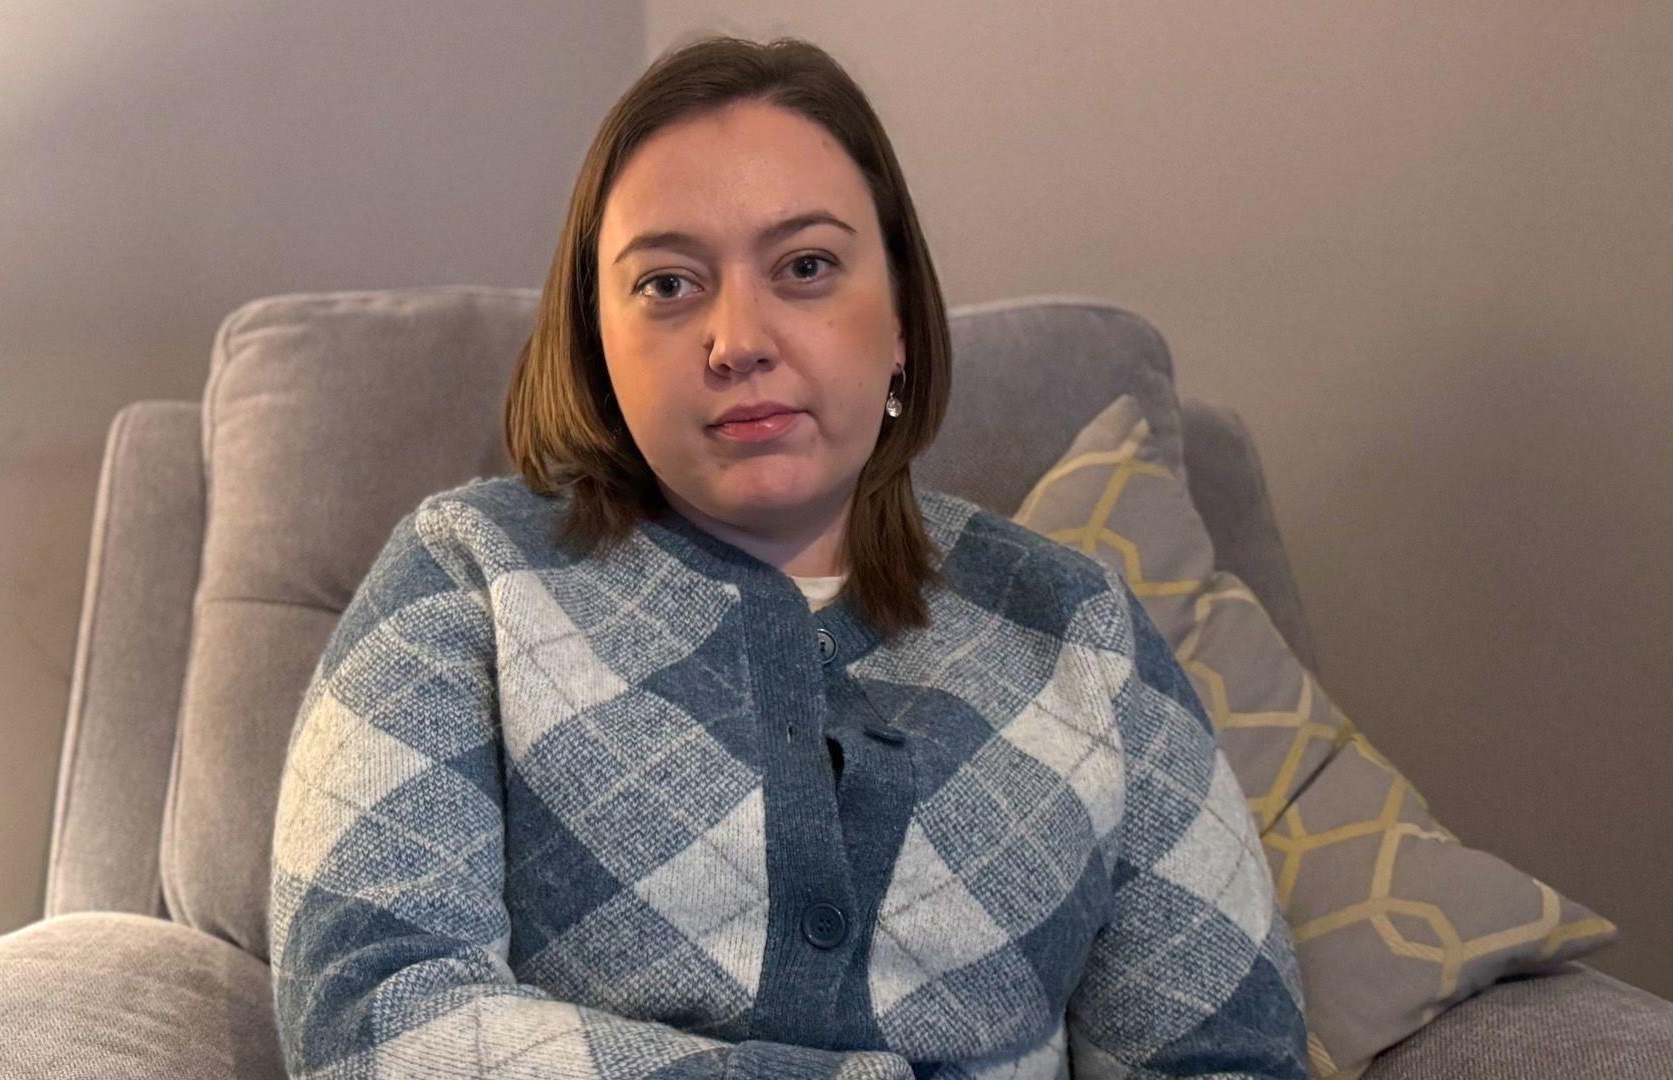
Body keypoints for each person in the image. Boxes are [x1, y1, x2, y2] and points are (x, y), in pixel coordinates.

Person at [268, 33, 1310, 1079]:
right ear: (597, 342)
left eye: (805, 267)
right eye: (668, 285)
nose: (737, 339)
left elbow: (1230, 1051)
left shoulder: (1080, 629)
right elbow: (371, 1013)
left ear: (900, 316)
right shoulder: (464, 577)